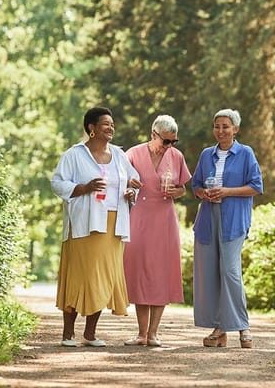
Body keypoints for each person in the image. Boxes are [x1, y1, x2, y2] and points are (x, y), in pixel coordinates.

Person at [50, 107, 141, 348]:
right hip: (84, 225)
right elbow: (57, 183)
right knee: (80, 276)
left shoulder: (120, 155)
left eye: (112, 124)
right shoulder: (74, 155)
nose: (111, 128)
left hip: (113, 225)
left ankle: (90, 333)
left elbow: (134, 181)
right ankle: (68, 333)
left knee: (103, 277)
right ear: (91, 128)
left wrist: (133, 191)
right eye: (105, 124)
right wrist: (83, 188)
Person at [191, 108, 263, 348]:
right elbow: (197, 186)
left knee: (230, 272)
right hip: (208, 217)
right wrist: (204, 194)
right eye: (217, 126)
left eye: (225, 126)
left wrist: (227, 192)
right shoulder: (206, 155)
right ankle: (220, 329)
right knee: (211, 273)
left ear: (235, 129)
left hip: (233, 218)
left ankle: (243, 327)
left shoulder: (245, 153)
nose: (220, 131)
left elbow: (255, 186)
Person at [122, 115, 192, 347]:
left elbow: (183, 188)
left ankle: (153, 333)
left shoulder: (176, 157)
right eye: (166, 141)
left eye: (173, 141)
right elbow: (120, 183)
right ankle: (141, 333)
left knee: (161, 272)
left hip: (164, 218)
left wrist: (177, 192)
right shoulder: (132, 154)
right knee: (141, 271)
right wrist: (128, 188)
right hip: (139, 216)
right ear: (153, 134)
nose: (169, 146)